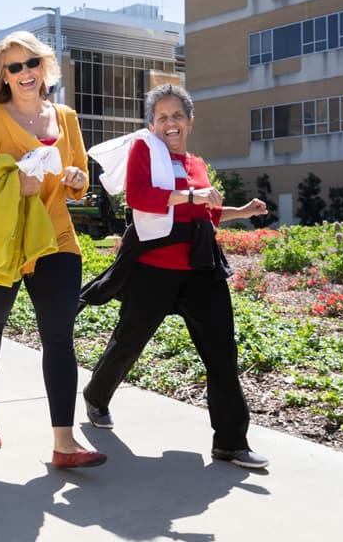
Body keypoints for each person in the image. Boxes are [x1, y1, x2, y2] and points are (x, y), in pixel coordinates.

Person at [80, 83, 270, 469]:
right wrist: (190, 196)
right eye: (162, 117)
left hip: (202, 271)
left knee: (222, 355)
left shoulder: (196, 163)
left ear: (190, 122)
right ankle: (96, 396)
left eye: (177, 116)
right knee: (128, 342)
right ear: (151, 125)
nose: (170, 123)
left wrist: (242, 210)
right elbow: (138, 196)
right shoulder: (144, 154)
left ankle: (231, 442)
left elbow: (206, 212)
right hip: (154, 269)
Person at [0, 31, 106, 469]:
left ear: (45, 67)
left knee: (59, 336)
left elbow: (76, 185)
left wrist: (78, 182)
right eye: (15, 67)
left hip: (55, 238)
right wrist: (14, 184)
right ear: (3, 76)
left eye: (32, 63)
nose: (25, 73)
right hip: (3, 242)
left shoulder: (66, 117)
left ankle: (64, 441)